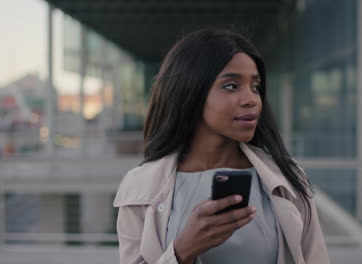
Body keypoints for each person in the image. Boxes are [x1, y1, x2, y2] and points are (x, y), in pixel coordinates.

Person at [113, 28, 330, 264]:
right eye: (231, 86)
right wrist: (182, 251)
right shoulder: (140, 187)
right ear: (191, 90)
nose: (251, 99)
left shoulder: (287, 177)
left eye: (255, 87)